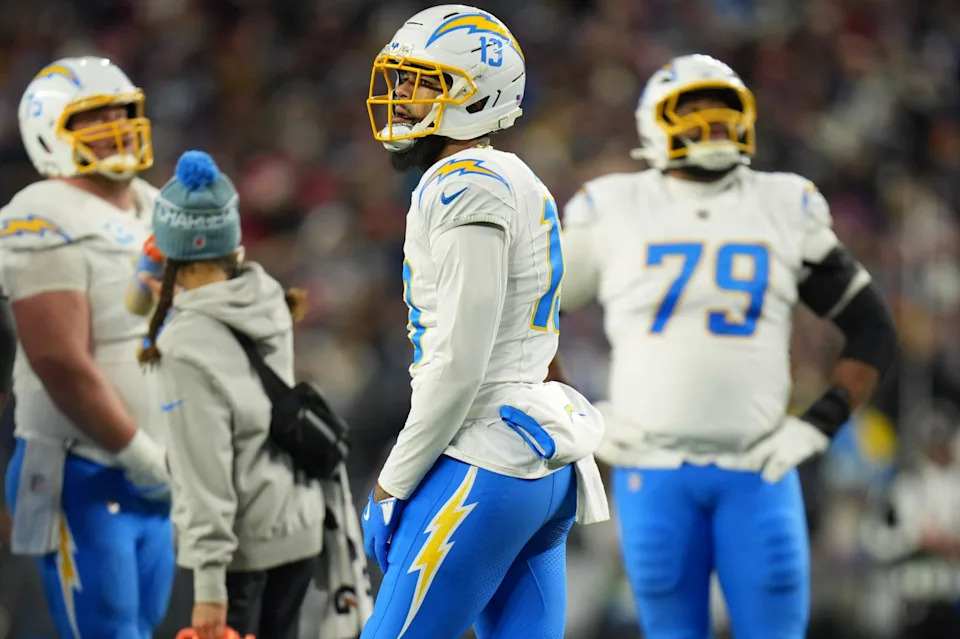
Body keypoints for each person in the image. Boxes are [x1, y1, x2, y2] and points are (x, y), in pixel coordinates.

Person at [553, 53, 898, 639]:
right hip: (651, 466)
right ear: (653, 124)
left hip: (758, 464)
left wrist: (818, 423)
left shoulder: (783, 203)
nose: (712, 125)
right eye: (694, 113)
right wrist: (573, 416)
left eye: (723, 113)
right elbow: (527, 316)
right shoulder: (612, 206)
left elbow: (872, 328)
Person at [360, 5, 609, 638]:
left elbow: (460, 362)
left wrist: (391, 485)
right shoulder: (515, 177)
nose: (402, 96)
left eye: (421, 81)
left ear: (472, 94)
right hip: (539, 462)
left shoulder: (461, 184)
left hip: (486, 461)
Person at [1, 56, 174, 638]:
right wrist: (139, 453)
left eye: (123, 113)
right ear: (51, 132)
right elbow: (58, 360)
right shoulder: (39, 214)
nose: (119, 128)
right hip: (83, 466)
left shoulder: (156, 204)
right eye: (95, 119)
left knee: (142, 626)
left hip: (158, 471)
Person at [141, 150, 324, 639]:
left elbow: (206, 474)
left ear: (166, 245)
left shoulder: (184, 343)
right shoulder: (265, 294)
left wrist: (208, 590)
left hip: (238, 559)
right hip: (297, 531)